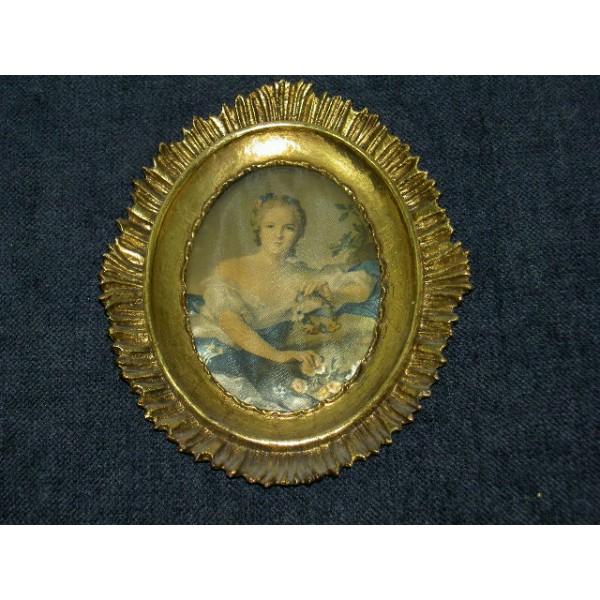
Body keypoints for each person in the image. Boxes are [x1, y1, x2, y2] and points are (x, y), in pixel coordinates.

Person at [188, 193, 377, 412]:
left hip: (265, 351)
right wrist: (277, 355)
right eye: (270, 226)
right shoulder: (230, 268)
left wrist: (333, 295)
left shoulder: (303, 276)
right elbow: (231, 324)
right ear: (258, 228)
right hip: (225, 343)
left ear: (298, 234)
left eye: (288, 228)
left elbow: (360, 289)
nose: (278, 235)